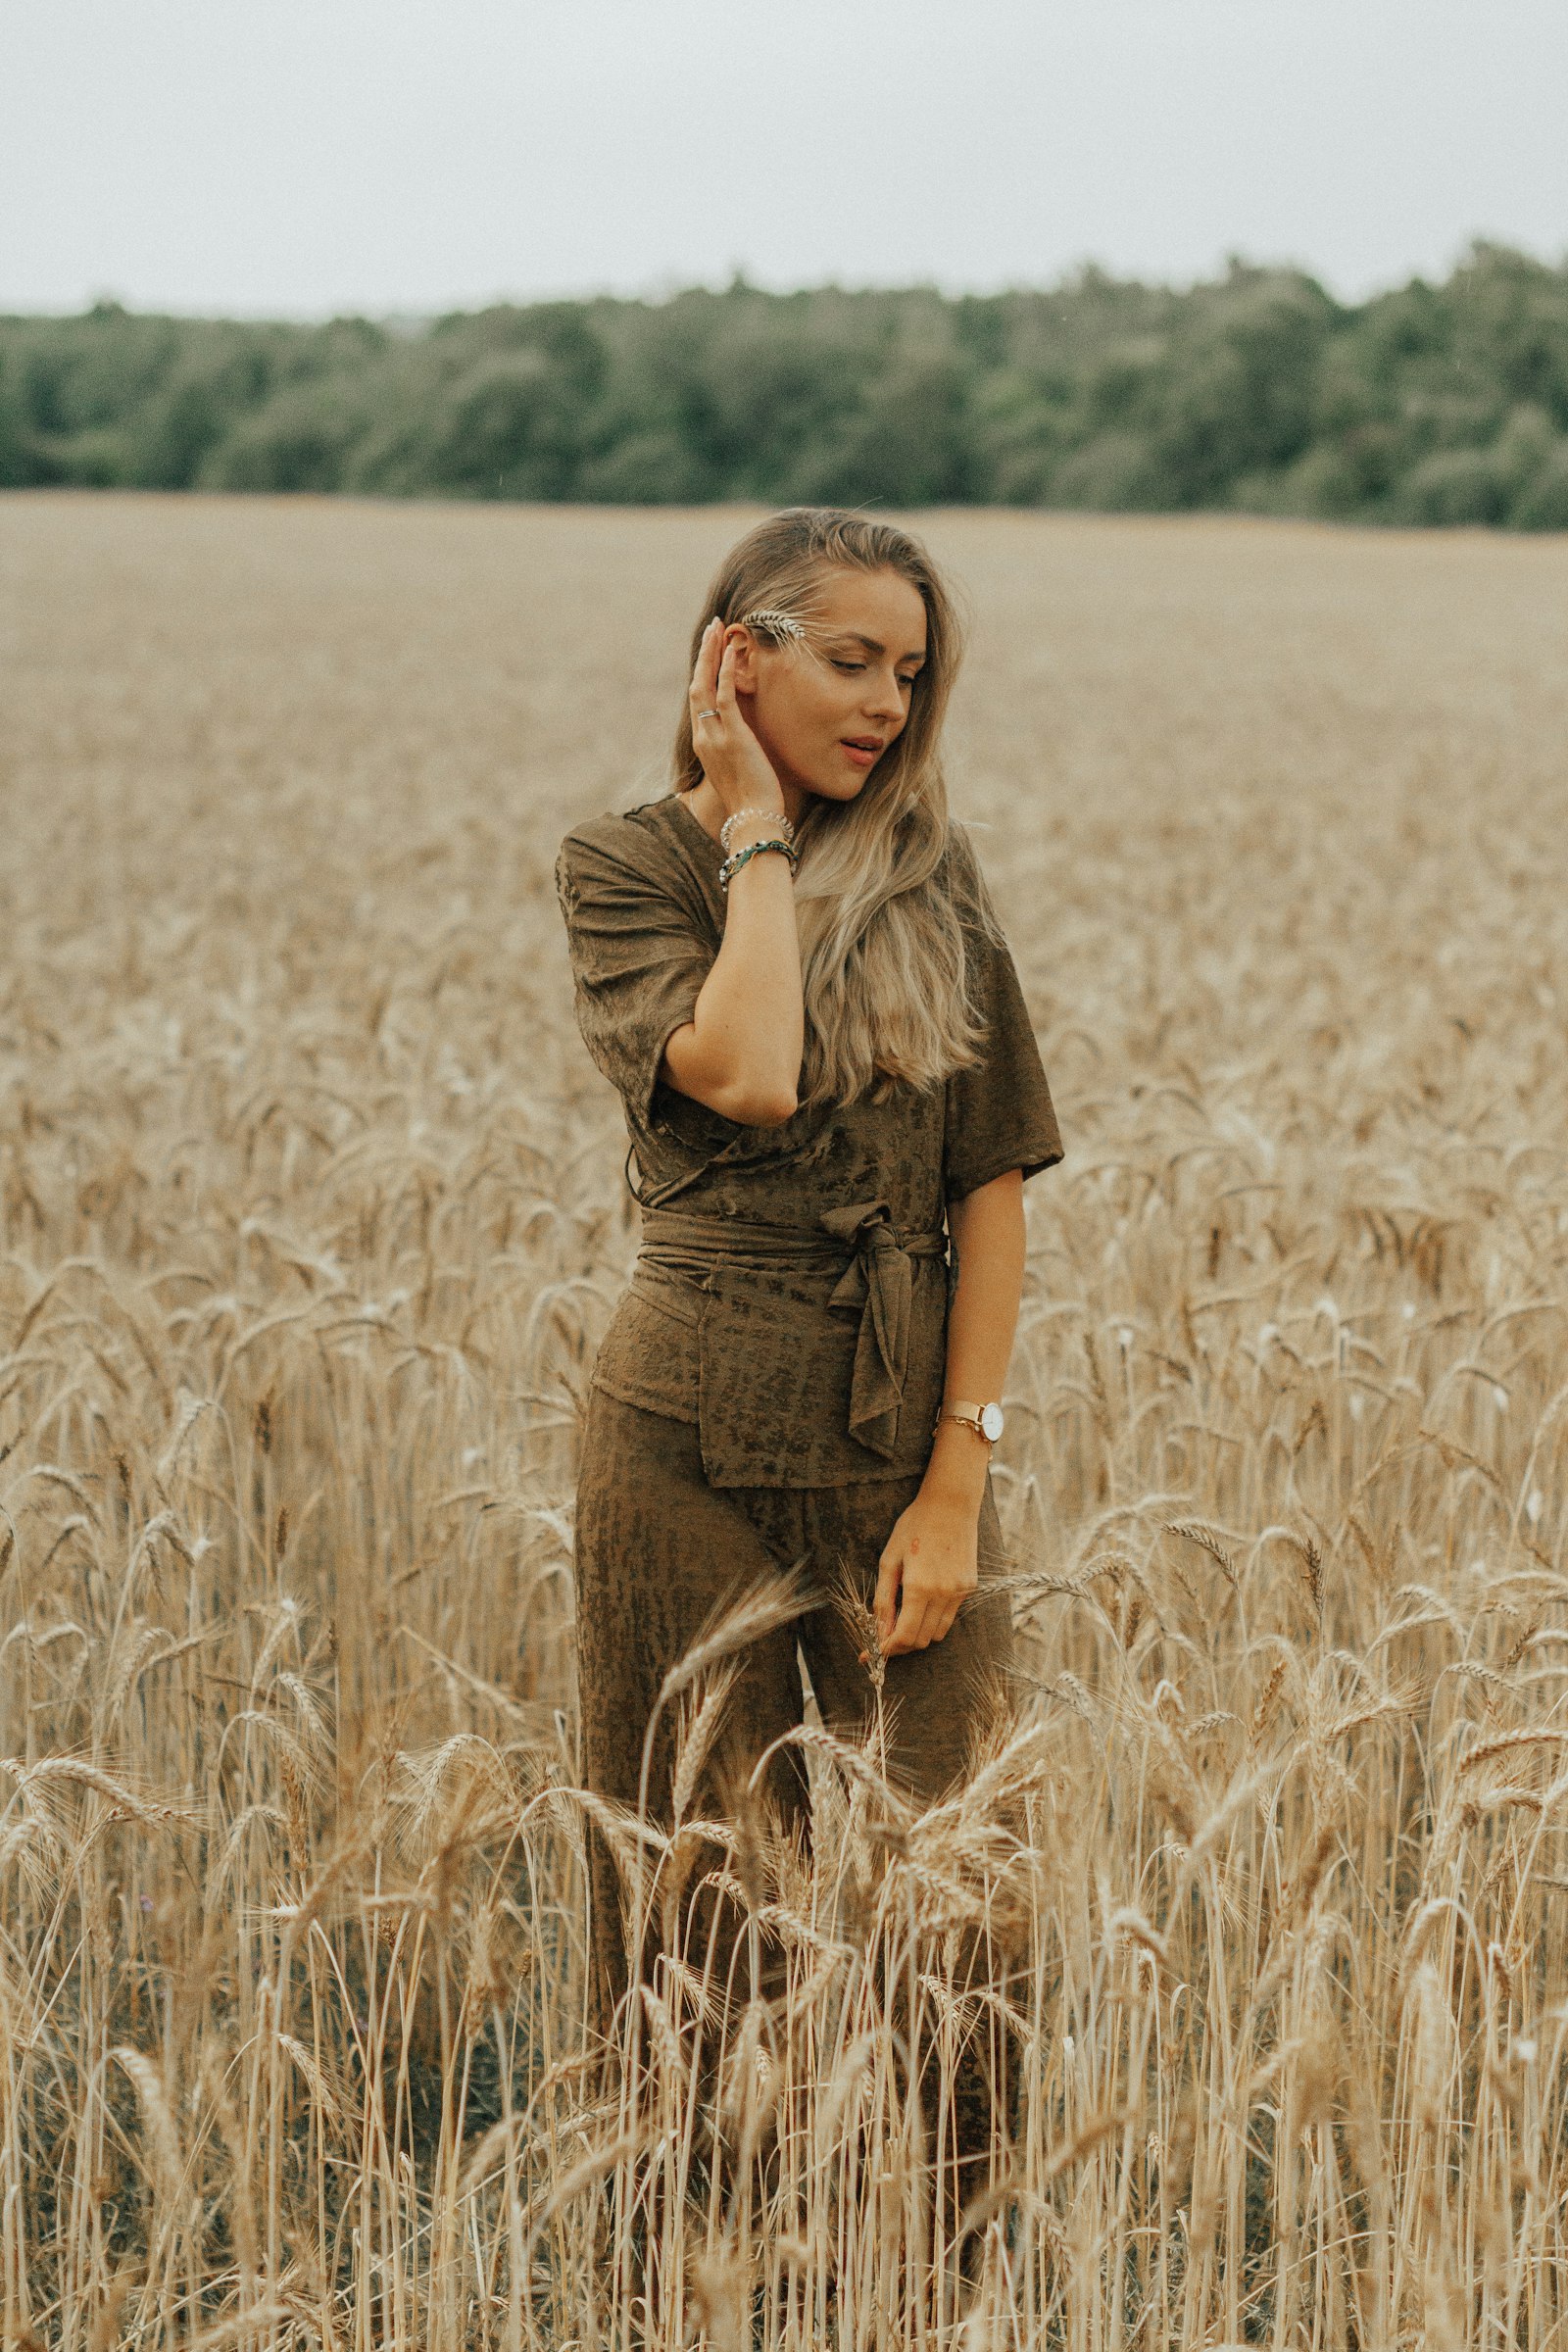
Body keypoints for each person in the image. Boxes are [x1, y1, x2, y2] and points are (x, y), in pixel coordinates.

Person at [553, 507, 1062, 2290]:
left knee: (962, 1905)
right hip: (679, 1437)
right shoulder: (624, 868)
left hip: (895, 1442)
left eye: (909, 673)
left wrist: (958, 1482)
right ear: (732, 655)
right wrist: (758, 836)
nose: (886, 703)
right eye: (848, 659)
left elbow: (988, 1181)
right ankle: (681, 2286)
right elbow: (749, 1074)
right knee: (694, 1897)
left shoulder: (939, 876)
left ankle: (940, 2284)